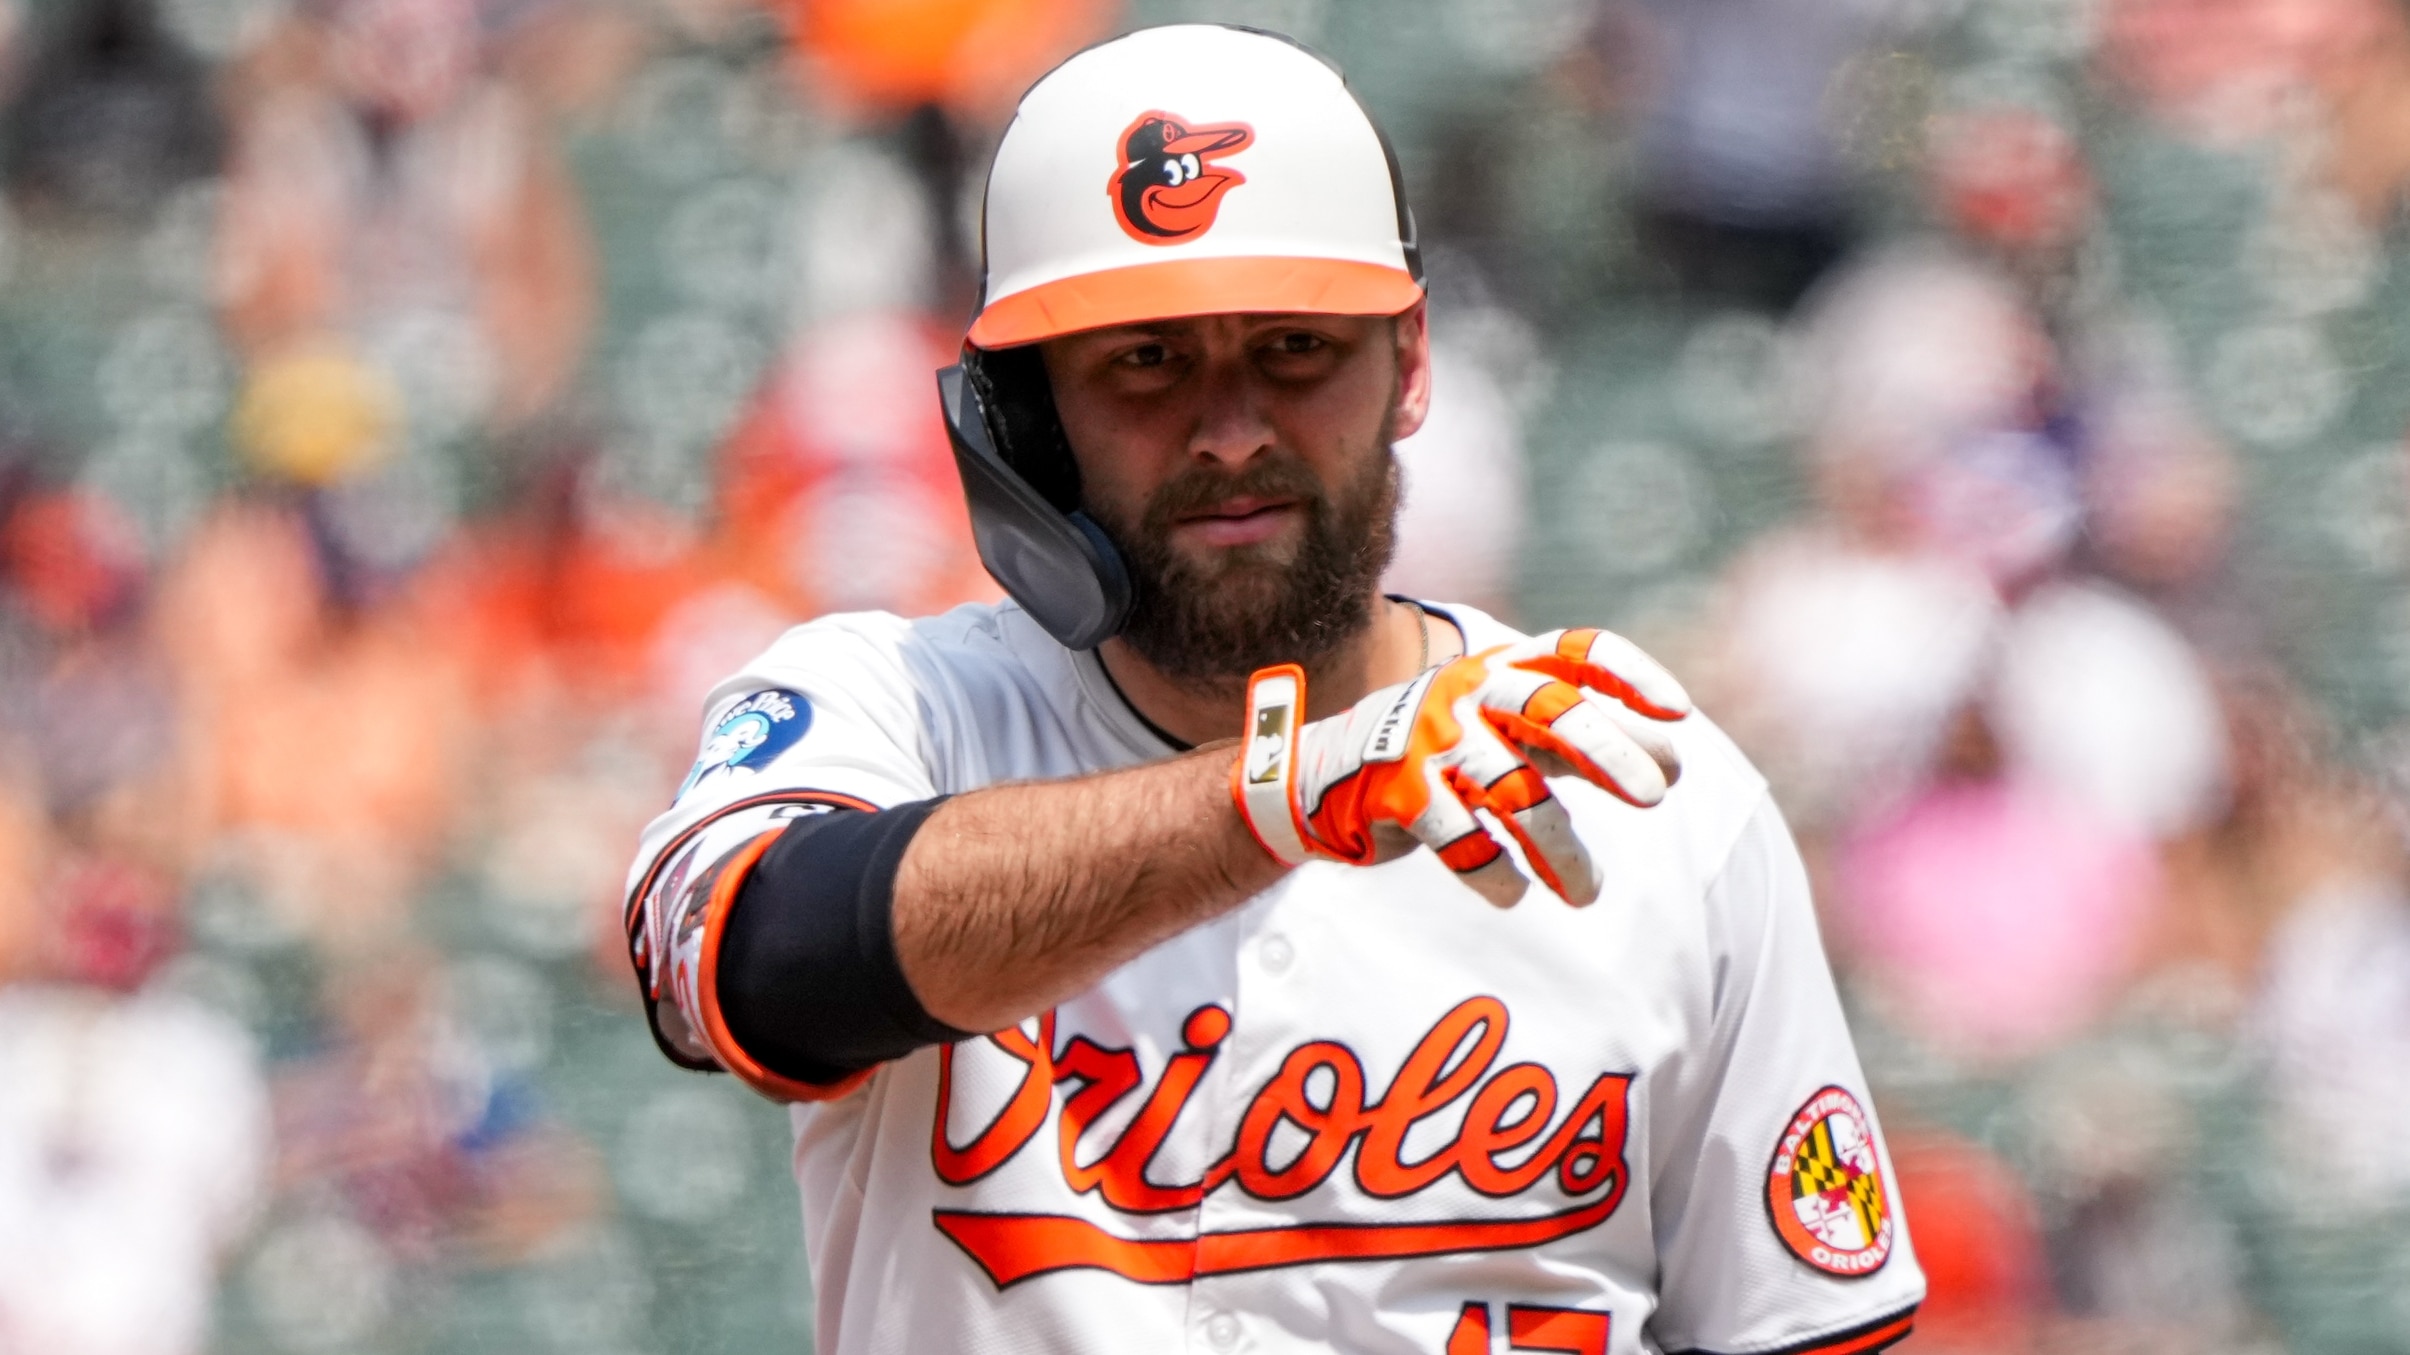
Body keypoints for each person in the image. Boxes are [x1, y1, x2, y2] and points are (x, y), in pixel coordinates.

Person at [623, 25, 1924, 1354]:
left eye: (1294, 346)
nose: (1231, 428)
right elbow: (758, 966)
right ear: (1024, 414)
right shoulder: (894, 705)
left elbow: (1798, 1329)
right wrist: (1284, 795)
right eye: (1144, 360)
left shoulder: (1650, 790)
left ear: (1409, 364)